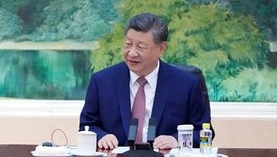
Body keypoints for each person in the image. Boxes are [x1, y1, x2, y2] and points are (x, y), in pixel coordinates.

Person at [79, 13, 211, 150]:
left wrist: (176, 139)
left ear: (161, 49)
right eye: (128, 44)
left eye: (140, 47)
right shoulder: (102, 81)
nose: (131, 53)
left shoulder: (187, 84)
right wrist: (101, 136)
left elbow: (203, 131)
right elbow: (87, 125)